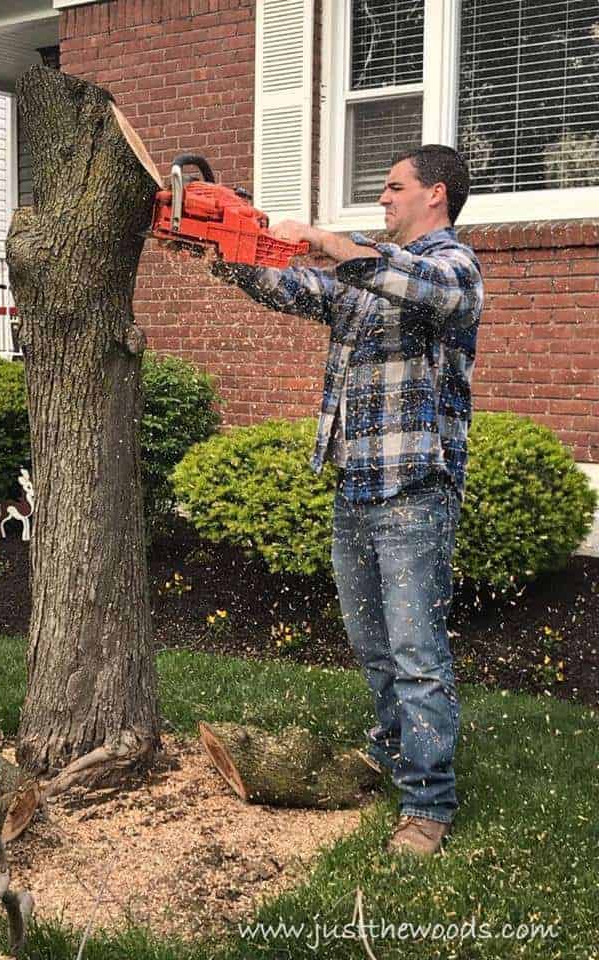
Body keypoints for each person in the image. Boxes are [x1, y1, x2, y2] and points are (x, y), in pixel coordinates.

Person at [210, 144, 484, 856]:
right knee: (373, 647)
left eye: (395, 189)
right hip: (354, 488)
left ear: (437, 196)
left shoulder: (453, 268)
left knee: (417, 653)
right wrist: (226, 243)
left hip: (414, 493)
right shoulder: (364, 280)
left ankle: (429, 803)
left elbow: (430, 288)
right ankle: (395, 755)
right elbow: (294, 287)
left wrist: (336, 243)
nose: (384, 200)